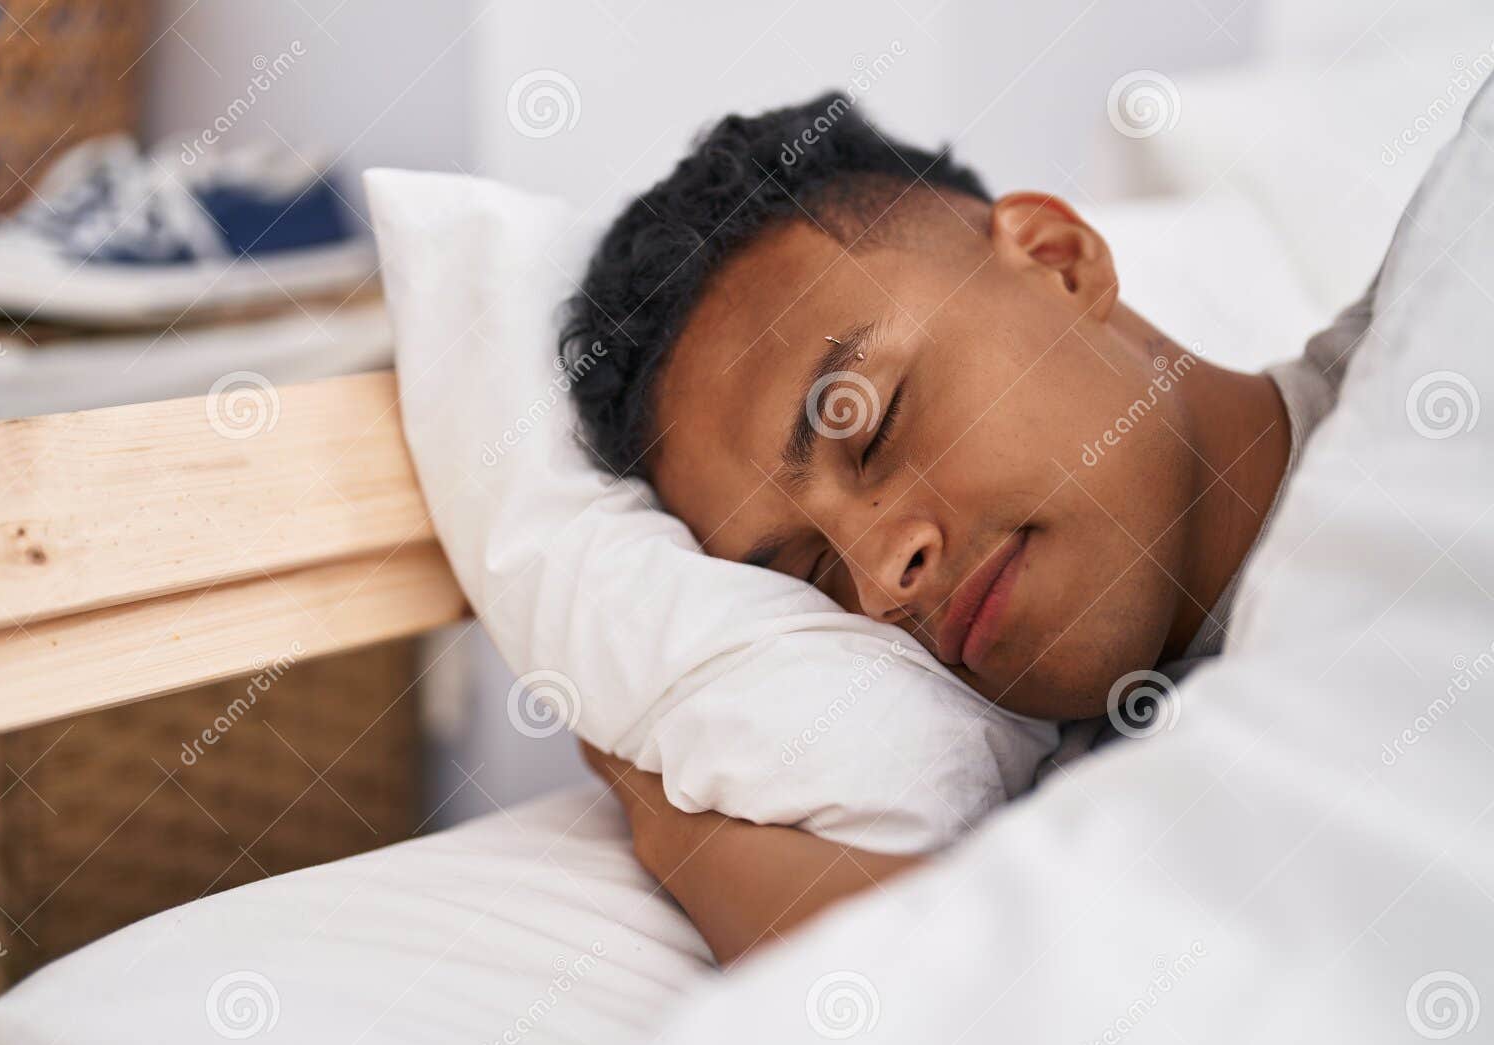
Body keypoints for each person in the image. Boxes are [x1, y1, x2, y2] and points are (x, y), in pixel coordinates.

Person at [559, 92, 1353, 966]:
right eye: (814, 570)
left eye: (872, 427)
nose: (879, 578)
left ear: (1059, 260)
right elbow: (935, 994)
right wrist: (659, 809)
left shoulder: (1444, 348)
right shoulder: (1099, 833)